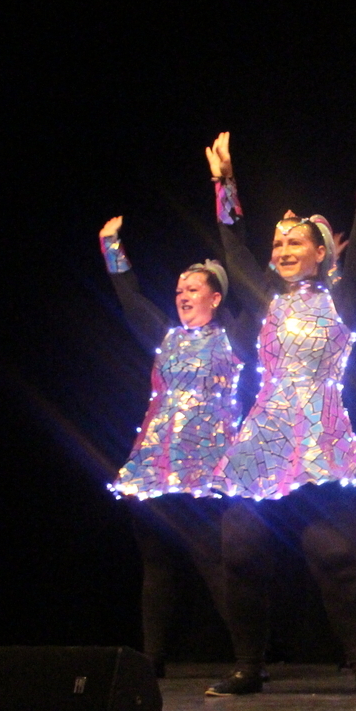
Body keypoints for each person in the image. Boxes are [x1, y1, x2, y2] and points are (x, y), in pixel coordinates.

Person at [204, 120, 356, 699]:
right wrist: (225, 184)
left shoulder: (343, 298)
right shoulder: (265, 298)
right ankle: (249, 668)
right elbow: (233, 247)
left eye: (296, 244)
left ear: (320, 253)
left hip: (320, 440)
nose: (284, 251)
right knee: (239, 552)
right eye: (279, 245)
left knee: (334, 556)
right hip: (264, 440)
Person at [99, 216, 241, 676]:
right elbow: (130, 299)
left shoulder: (233, 339)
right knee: (156, 562)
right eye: (179, 289)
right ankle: (152, 659)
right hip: (155, 465)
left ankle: (249, 659)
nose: (182, 294)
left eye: (193, 288)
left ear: (215, 298)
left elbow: (259, 292)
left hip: (205, 469)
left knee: (212, 559)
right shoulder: (166, 336)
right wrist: (111, 246)